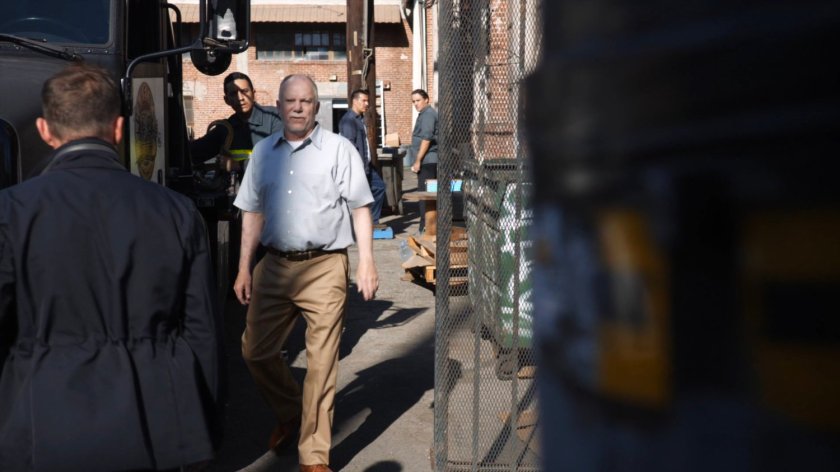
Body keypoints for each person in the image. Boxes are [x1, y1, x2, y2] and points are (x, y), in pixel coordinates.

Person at [0, 63, 224, 471]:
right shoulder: (176, 212)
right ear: (120, 129)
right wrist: (201, 427)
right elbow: (202, 332)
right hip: (156, 423)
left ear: (45, 131)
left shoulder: (11, 212)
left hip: (42, 425)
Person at [233, 74, 379, 472]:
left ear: (317, 107)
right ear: (278, 105)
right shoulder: (263, 153)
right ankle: (292, 412)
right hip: (275, 265)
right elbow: (252, 213)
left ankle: (314, 457)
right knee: (254, 351)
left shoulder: (338, 149)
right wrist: (244, 267)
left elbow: (360, 207)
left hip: (325, 267)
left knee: (321, 364)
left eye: (306, 101)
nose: (298, 107)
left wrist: (366, 260)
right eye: (291, 100)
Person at [190, 71, 283, 166]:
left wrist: (237, 165)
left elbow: (280, 158)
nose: (240, 98)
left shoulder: (274, 117)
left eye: (244, 91)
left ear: (254, 94)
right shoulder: (225, 129)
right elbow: (193, 152)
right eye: (233, 94)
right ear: (227, 100)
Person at [338, 89, 387, 224]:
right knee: (357, 197)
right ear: (355, 101)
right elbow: (349, 147)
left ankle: (372, 221)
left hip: (367, 165)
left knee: (379, 187)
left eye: (368, 101)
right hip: (358, 167)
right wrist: (355, 168)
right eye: (364, 101)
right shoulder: (349, 121)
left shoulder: (359, 119)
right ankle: (357, 223)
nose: (367, 104)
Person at [409, 89, 439, 233]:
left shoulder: (428, 115)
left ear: (426, 99)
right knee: (428, 194)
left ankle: (425, 227)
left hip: (428, 161)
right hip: (427, 160)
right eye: (413, 101)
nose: (415, 104)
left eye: (418, 100)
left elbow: (426, 139)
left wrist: (418, 160)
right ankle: (427, 226)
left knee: (425, 195)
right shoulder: (425, 114)